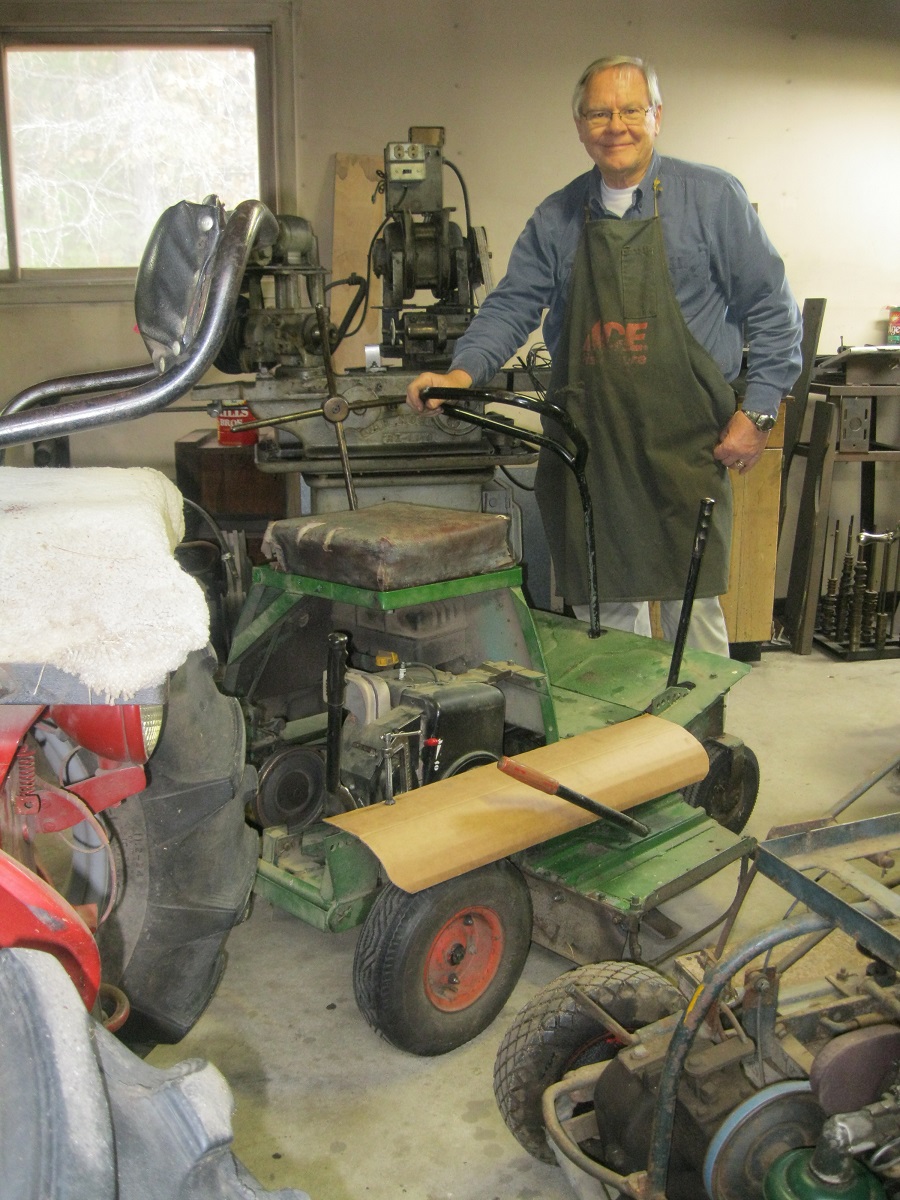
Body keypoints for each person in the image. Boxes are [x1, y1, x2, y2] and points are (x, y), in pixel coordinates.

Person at [406, 55, 802, 656]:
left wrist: (760, 412)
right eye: (598, 112)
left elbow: (773, 310)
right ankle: (627, 745)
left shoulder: (713, 199)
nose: (614, 124)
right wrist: (460, 376)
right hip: (591, 444)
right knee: (605, 609)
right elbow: (512, 307)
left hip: (685, 445)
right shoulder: (556, 217)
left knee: (690, 606)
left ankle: (701, 744)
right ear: (579, 125)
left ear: (657, 117)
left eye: (629, 109)